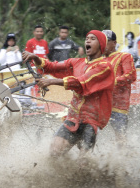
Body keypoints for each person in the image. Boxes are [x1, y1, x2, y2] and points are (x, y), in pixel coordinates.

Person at [22, 30, 114, 158]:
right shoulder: (76, 62)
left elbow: (81, 82)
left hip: (92, 120)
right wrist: (36, 58)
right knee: (54, 151)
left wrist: (50, 81)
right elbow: (51, 67)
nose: (87, 40)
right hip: (73, 116)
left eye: (92, 39)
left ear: (101, 44)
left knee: (83, 159)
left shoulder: (105, 66)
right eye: (87, 38)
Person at [102, 30, 136, 147]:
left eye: (106, 41)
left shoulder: (124, 56)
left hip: (118, 106)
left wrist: (111, 82)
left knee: (120, 138)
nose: (103, 44)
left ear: (114, 43)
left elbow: (131, 75)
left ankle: (122, 161)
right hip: (100, 104)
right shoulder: (97, 60)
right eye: (101, 41)